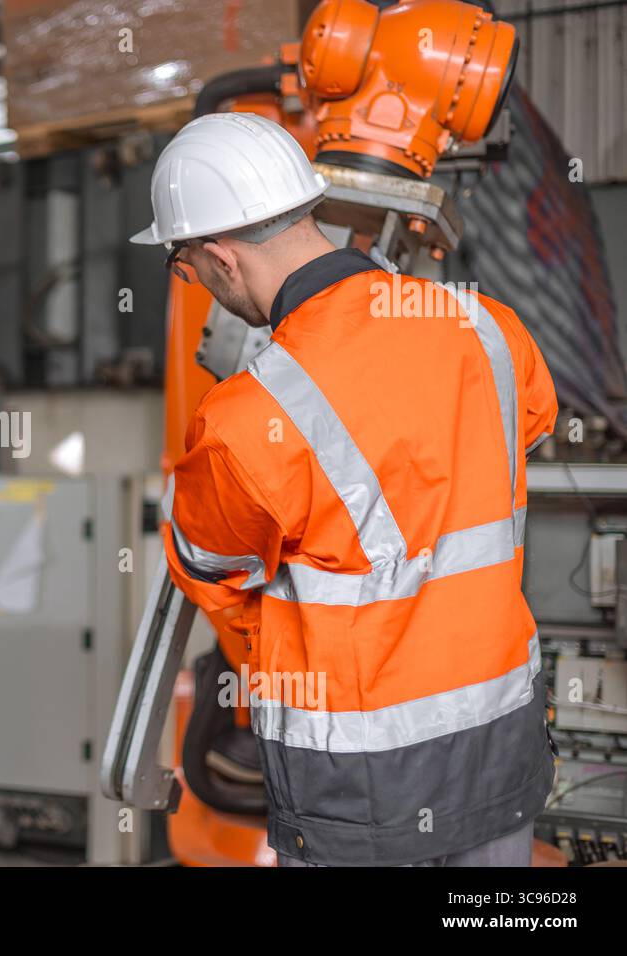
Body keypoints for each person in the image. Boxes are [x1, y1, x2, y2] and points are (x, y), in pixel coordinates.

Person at [132, 113, 558, 867]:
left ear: (222, 257)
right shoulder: (488, 328)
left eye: (184, 265)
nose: (193, 281)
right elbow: (519, 431)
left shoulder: (247, 417)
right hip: (499, 749)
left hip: (362, 791)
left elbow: (207, 566)